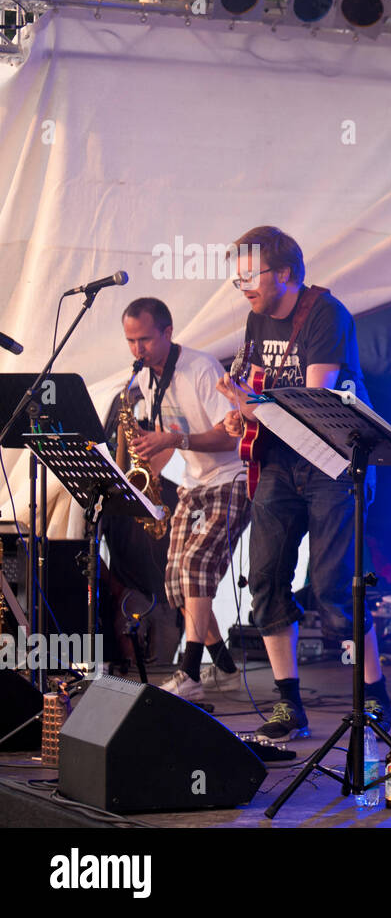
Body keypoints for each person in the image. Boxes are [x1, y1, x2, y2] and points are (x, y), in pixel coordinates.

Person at [216, 226, 390, 743]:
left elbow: (314, 405)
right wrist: (240, 415)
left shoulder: (324, 314)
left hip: (330, 462)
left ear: (285, 273)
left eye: (251, 274)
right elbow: (258, 389)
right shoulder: (255, 317)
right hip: (277, 461)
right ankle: (287, 702)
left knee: (335, 590)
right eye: (238, 276)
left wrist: (254, 409)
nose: (242, 284)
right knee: (265, 579)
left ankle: (375, 698)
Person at [119, 298, 250, 700]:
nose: (137, 350)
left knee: (195, 567)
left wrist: (173, 439)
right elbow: (166, 439)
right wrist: (139, 476)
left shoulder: (200, 368)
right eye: (130, 341)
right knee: (177, 580)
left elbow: (230, 436)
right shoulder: (145, 379)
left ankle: (190, 671)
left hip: (231, 479)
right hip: (194, 484)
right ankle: (225, 668)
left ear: (168, 332)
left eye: (144, 339)